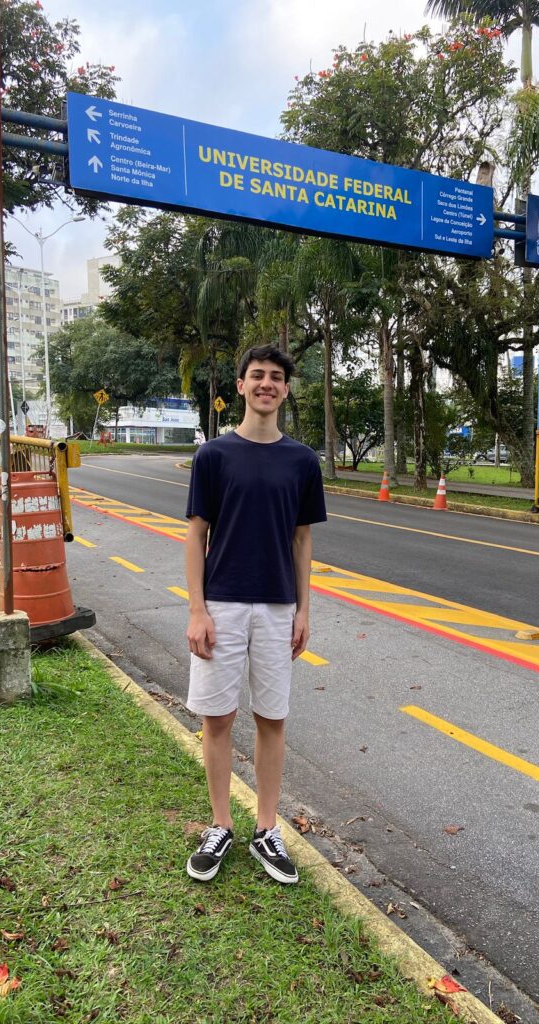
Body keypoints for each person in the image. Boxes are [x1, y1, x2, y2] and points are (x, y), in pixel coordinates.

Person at [184, 344, 326, 884]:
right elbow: (196, 535)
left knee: (272, 717)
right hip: (221, 601)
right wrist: (197, 610)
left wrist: (303, 610)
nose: (267, 384)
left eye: (276, 377)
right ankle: (220, 824)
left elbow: (302, 538)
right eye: (257, 376)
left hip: (276, 605)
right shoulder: (213, 456)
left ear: (285, 390)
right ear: (240, 387)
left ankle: (267, 828)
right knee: (217, 718)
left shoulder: (301, 460)